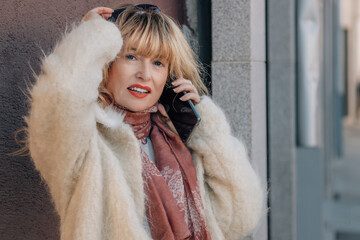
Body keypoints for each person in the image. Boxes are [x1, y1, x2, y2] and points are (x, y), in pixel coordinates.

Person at [25, 4, 264, 240]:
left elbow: (242, 215)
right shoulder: (86, 141)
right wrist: (91, 39)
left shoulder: (180, 143)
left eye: (158, 63)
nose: (145, 74)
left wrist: (205, 130)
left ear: (170, 77)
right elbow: (61, 99)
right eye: (131, 56)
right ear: (106, 63)